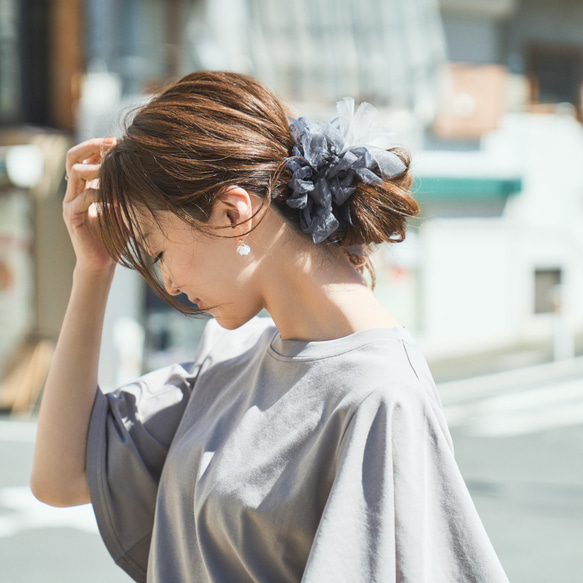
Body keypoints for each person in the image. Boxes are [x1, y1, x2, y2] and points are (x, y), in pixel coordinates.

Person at [30, 71, 508, 583]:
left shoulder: (379, 398)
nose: (167, 281)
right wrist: (92, 271)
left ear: (233, 213)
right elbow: (62, 478)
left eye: (159, 250)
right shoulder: (232, 356)